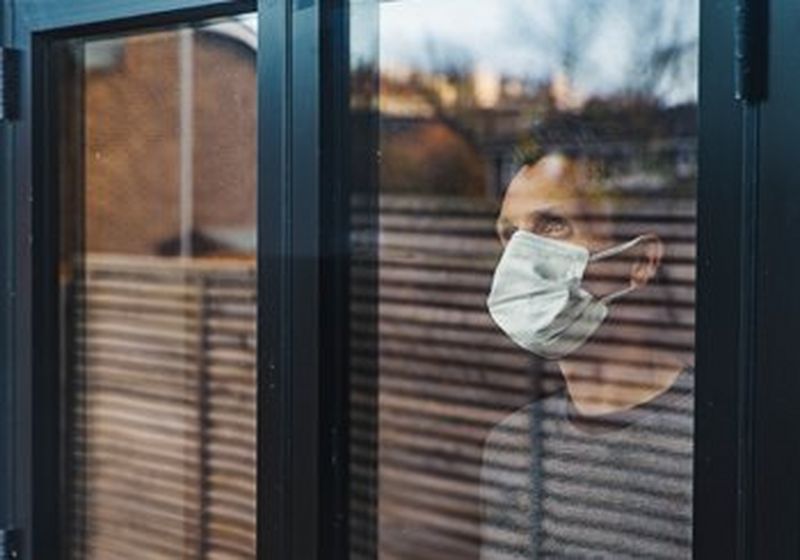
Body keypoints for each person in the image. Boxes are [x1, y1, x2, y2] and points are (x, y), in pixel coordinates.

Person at [480, 152, 694, 559]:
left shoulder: (714, 444)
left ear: (639, 261)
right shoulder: (511, 447)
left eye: (553, 225)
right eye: (510, 235)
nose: (521, 258)